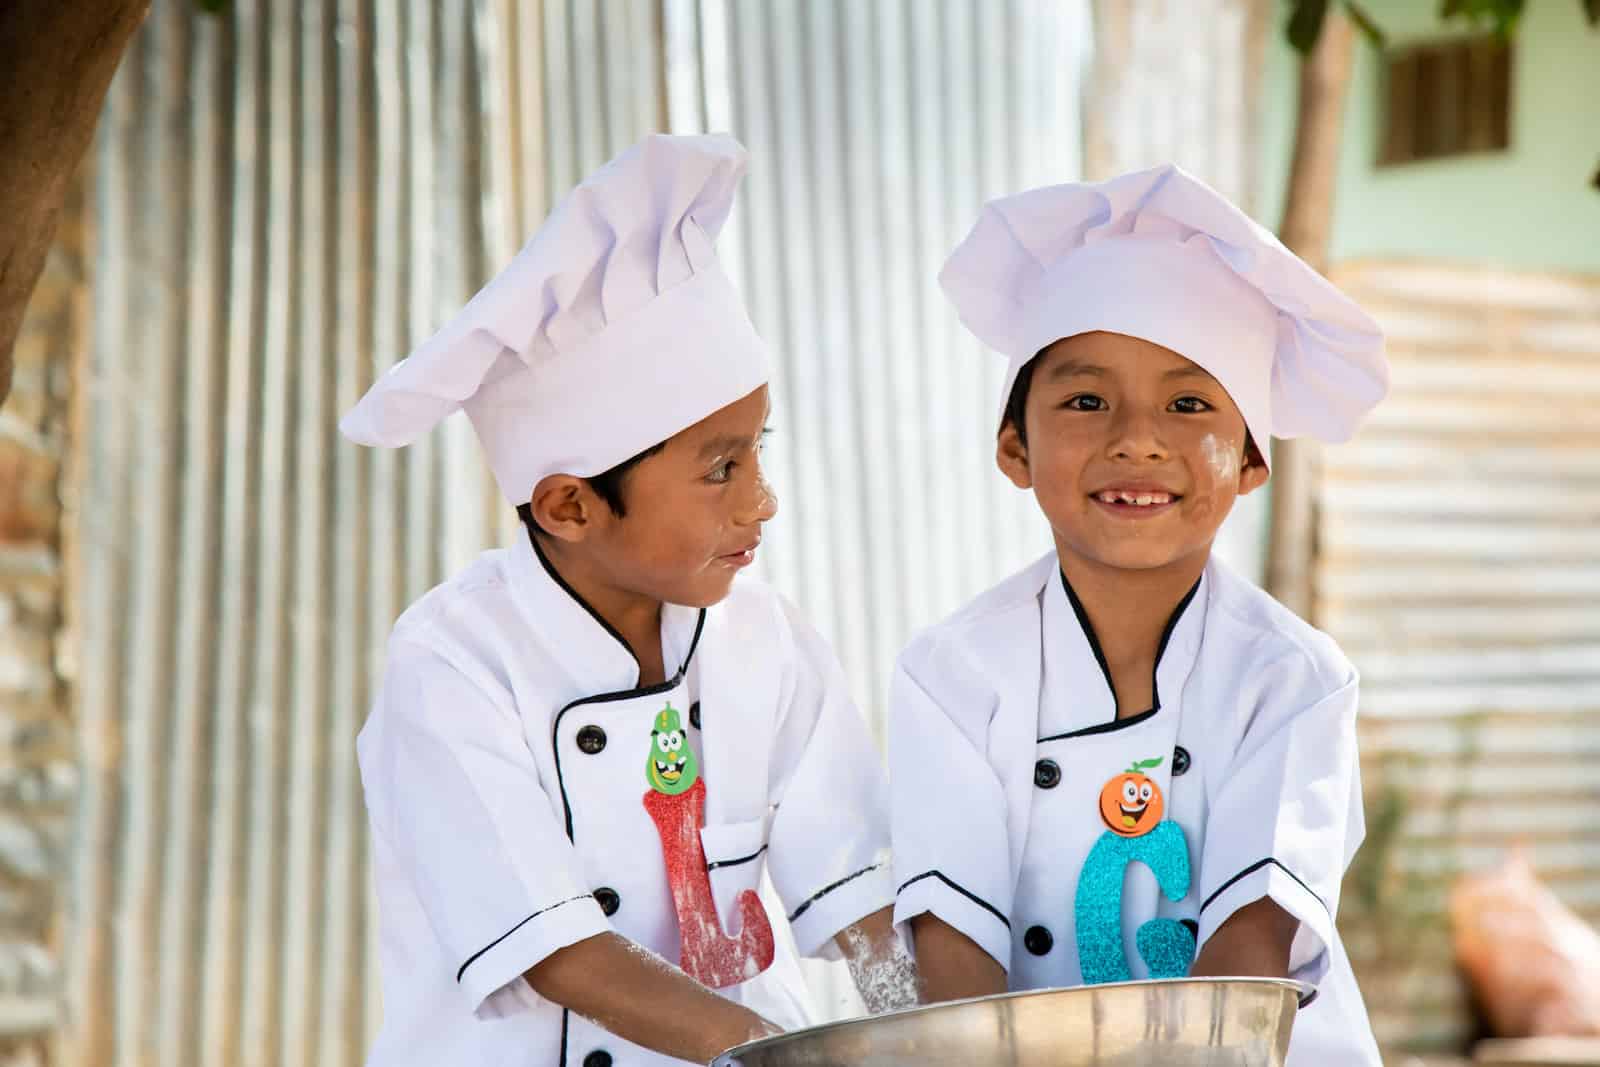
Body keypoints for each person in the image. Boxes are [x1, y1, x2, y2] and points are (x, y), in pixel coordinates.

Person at [342, 133, 907, 1067]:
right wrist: (782, 1061)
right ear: (571, 504)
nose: (762, 499)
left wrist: (939, 1039)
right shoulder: (452, 664)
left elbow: (859, 900)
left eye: (761, 448)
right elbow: (563, 953)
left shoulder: (765, 640)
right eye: (722, 467)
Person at [889, 163, 1389, 1064]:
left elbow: (1245, 963)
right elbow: (952, 965)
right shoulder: (951, 673)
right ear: (1014, 446)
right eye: (1085, 399)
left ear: (1247, 460)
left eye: (1189, 403)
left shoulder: (1295, 679)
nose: (1137, 438)